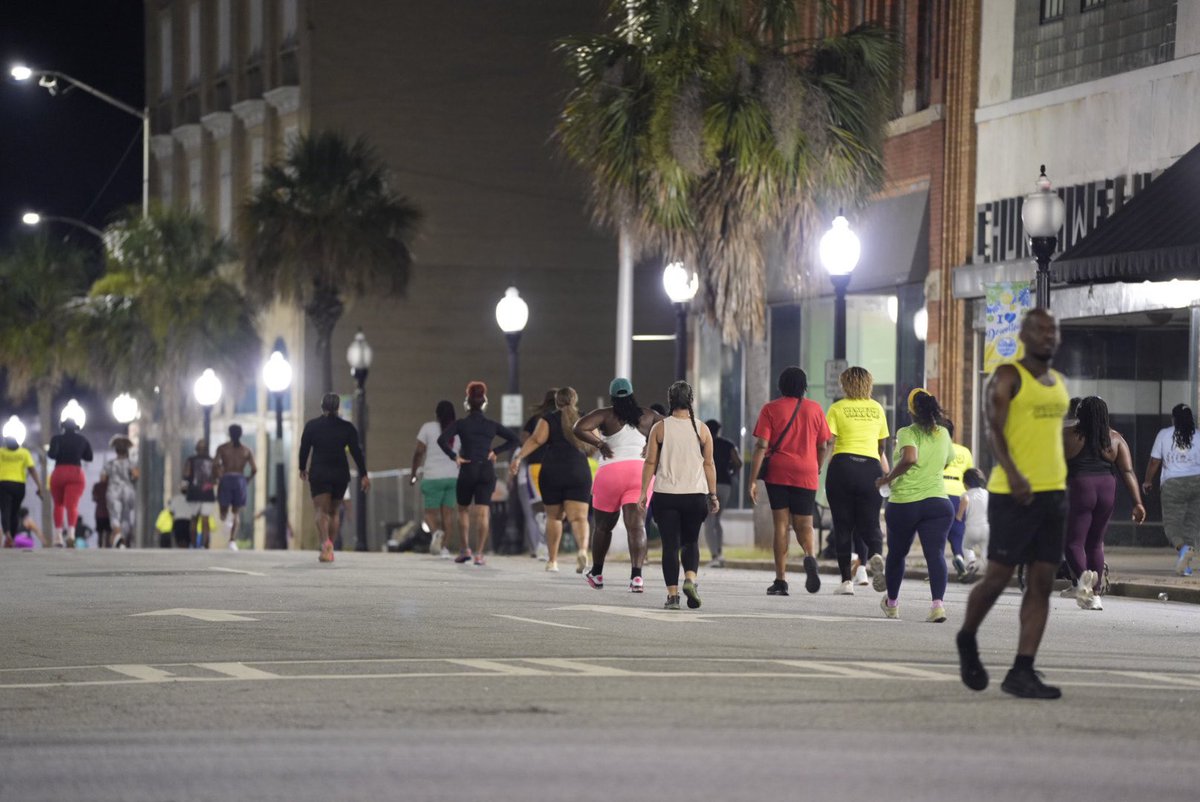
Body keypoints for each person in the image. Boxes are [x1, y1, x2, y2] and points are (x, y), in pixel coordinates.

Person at [957, 308, 1070, 700]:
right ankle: (967, 636)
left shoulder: (1059, 383)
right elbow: (995, 432)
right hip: (1012, 493)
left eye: (1053, 330)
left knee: (1042, 582)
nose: (1048, 336)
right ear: (1023, 334)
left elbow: (1051, 437)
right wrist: (1015, 473)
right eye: (1040, 329)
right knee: (998, 578)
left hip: (1054, 494)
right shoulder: (1008, 376)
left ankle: (1022, 670)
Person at [749, 367, 831, 596]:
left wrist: (752, 480)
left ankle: (781, 580)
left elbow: (762, 445)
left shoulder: (770, 409)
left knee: (781, 525)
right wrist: (817, 466)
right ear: (804, 386)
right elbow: (823, 445)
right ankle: (810, 556)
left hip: (778, 472)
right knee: (805, 523)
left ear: (781, 385)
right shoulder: (815, 409)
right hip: (807, 471)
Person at [573, 378, 662, 590]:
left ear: (612, 396)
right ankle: (636, 577)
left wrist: (599, 443)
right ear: (632, 394)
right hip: (639, 473)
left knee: (603, 527)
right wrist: (652, 445)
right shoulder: (649, 415)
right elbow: (670, 429)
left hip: (610, 473)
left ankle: (597, 573)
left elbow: (579, 427)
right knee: (636, 526)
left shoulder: (605, 414)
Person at [874, 388, 955, 621]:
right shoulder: (943, 433)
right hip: (938, 503)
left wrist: (887, 478)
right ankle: (937, 606)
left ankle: (892, 604)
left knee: (897, 554)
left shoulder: (907, 432)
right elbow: (947, 461)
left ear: (911, 411)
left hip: (905, 503)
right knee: (936, 554)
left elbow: (910, 458)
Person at [638, 380, 719, 610]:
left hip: (666, 495)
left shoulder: (660, 428)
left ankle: (673, 597)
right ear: (691, 400)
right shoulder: (702, 429)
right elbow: (709, 464)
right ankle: (690, 579)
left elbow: (650, 462)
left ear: (670, 400)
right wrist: (713, 495)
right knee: (691, 542)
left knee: (670, 546)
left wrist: (643, 492)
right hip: (695, 495)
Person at [1062, 396, 1145, 610]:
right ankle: (1096, 595)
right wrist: (1138, 503)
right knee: (1096, 543)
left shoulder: (1067, 435)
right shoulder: (1115, 438)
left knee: (1073, 542)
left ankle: (1083, 580)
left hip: (1080, 486)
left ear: (1080, 414)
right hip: (1107, 488)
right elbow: (1127, 471)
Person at [511, 387, 593, 573]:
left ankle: (553, 561)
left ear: (557, 402)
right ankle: (582, 550)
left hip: (552, 471)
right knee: (579, 518)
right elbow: (595, 442)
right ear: (575, 400)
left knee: (554, 517)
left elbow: (536, 440)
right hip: (578, 470)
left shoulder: (548, 419)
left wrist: (518, 457)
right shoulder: (584, 418)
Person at [823, 367, 889, 595]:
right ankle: (876, 555)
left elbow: (828, 442)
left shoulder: (837, 408)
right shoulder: (877, 408)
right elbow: (881, 445)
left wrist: (821, 465)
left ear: (845, 385)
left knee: (843, 525)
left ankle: (846, 582)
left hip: (842, 467)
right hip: (870, 468)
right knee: (871, 523)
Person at [438, 381, 518, 566]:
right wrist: (495, 451)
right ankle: (480, 554)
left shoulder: (461, 424)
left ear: (467, 403)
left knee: (463, 510)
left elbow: (442, 440)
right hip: (486, 470)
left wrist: (454, 457)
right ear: (484, 403)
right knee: (483, 513)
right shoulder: (491, 425)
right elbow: (514, 439)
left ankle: (465, 549)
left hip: (468, 469)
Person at [299, 392, 370, 563]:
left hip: (320, 472)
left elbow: (304, 448)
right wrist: (364, 474)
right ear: (338, 407)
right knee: (334, 512)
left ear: (322, 406)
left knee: (321, 511)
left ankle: (325, 543)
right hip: (340, 473)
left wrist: (302, 467)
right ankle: (330, 547)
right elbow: (356, 452)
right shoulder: (347, 427)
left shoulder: (312, 426)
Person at [1142, 403, 1200, 577]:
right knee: (1191, 524)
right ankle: (1185, 564)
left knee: (1172, 525)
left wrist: (1147, 481)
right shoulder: (1198, 436)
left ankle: (1183, 550)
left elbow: (1154, 461)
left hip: (1173, 485)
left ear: (1173, 419)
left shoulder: (1164, 434)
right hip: (1197, 482)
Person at [410, 400, 461, 559]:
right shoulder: (457, 430)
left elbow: (419, 452)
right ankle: (444, 548)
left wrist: (413, 473)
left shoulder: (428, 428)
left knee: (429, 514)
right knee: (448, 515)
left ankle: (436, 533)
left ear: (436, 414)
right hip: (452, 477)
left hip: (433, 477)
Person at [517, 389, 556, 561]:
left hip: (535, 465)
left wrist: (522, 455)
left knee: (538, 507)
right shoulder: (562, 419)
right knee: (554, 507)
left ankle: (542, 543)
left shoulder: (535, 419)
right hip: (557, 465)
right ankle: (547, 545)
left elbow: (524, 439)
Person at [48, 418, 93, 548]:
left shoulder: (56, 439)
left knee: (58, 505)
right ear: (76, 428)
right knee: (72, 505)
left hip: (59, 473)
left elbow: (51, 455)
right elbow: (89, 457)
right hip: (75, 473)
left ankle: (58, 536)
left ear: (63, 427)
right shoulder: (82, 440)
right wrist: (77, 452)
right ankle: (71, 535)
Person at [703, 419, 741, 568]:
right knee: (717, 519)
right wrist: (732, 473)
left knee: (709, 520)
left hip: (709, 485)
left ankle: (714, 556)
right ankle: (720, 553)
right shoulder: (728, 444)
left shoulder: (703, 444)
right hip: (725, 484)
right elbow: (738, 463)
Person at [214, 424, 258, 550]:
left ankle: (226, 523)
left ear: (229, 434)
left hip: (226, 478)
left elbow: (215, 464)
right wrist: (247, 480)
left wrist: (219, 476)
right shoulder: (246, 450)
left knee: (223, 511)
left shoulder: (222, 448)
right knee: (236, 512)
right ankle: (232, 539)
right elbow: (254, 469)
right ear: (241, 434)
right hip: (240, 480)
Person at [942, 420, 975, 582]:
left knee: (937, 529)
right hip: (959, 492)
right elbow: (970, 475)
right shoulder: (964, 451)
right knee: (958, 527)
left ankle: (937, 564)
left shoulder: (937, 448)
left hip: (939, 489)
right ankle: (959, 556)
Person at [0, 436, 42, 548]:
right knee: (14, 512)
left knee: (5, 510)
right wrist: (39, 486)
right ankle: (12, 537)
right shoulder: (24, 453)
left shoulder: (1, 452)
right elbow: (32, 470)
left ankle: (7, 534)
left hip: (3, 484)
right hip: (19, 486)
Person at [103, 435, 139, 549]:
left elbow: (103, 478)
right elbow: (136, 475)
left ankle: (118, 536)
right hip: (128, 491)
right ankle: (122, 539)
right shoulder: (131, 463)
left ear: (116, 450)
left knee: (115, 514)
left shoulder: (110, 464)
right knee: (126, 516)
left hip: (114, 490)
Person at [183, 439, 217, 548]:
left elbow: (186, 475)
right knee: (205, 520)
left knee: (194, 519)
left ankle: (193, 544)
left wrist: (184, 485)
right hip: (207, 494)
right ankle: (203, 544)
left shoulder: (191, 460)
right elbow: (216, 477)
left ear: (196, 449)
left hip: (194, 493)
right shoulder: (212, 461)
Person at [961, 468, 990, 576]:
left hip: (971, 529)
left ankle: (971, 562)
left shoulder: (965, 495)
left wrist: (958, 518)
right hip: (986, 528)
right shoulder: (987, 494)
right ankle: (988, 569)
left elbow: (961, 514)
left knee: (966, 546)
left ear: (966, 483)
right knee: (985, 550)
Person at [92, 476, 112, 548]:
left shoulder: (99, 486)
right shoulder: (108, 486)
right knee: (102, 534)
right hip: (104, 513)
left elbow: (94, 498)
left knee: (105, 533)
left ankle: (104, 547)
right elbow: (94, 498)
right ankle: (104, 547)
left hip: (104, 513)